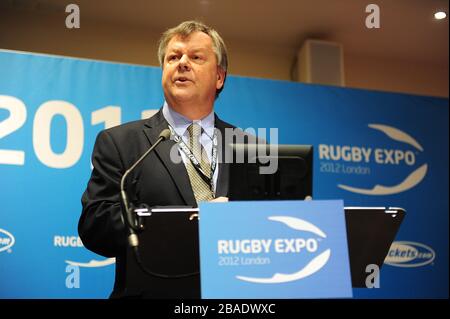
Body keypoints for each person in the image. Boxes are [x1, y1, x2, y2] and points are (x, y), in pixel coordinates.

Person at [79, 20, 249, 298]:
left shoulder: (251, 147)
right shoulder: (122, 143)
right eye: (173, 57)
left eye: (195, 57)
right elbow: (95, 226)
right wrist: (178, 224)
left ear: (219, 77)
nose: (182, 63)